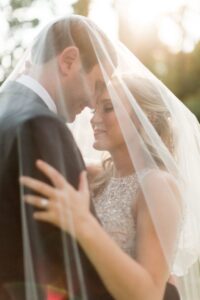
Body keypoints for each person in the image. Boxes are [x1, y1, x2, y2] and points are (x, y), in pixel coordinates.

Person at [20, 74, 184, 300]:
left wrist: (83, 225)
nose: (94, 119)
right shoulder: (95, 177)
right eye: (93, 110)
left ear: (145, 118)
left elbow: (150, 294)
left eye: (107, 108)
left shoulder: (157, 185)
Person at [0, 15, 117, 299]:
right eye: (97, 84)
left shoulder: (7, 110)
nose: (93, 103)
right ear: (68, 60)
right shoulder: (41, 126)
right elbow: (68, 259)